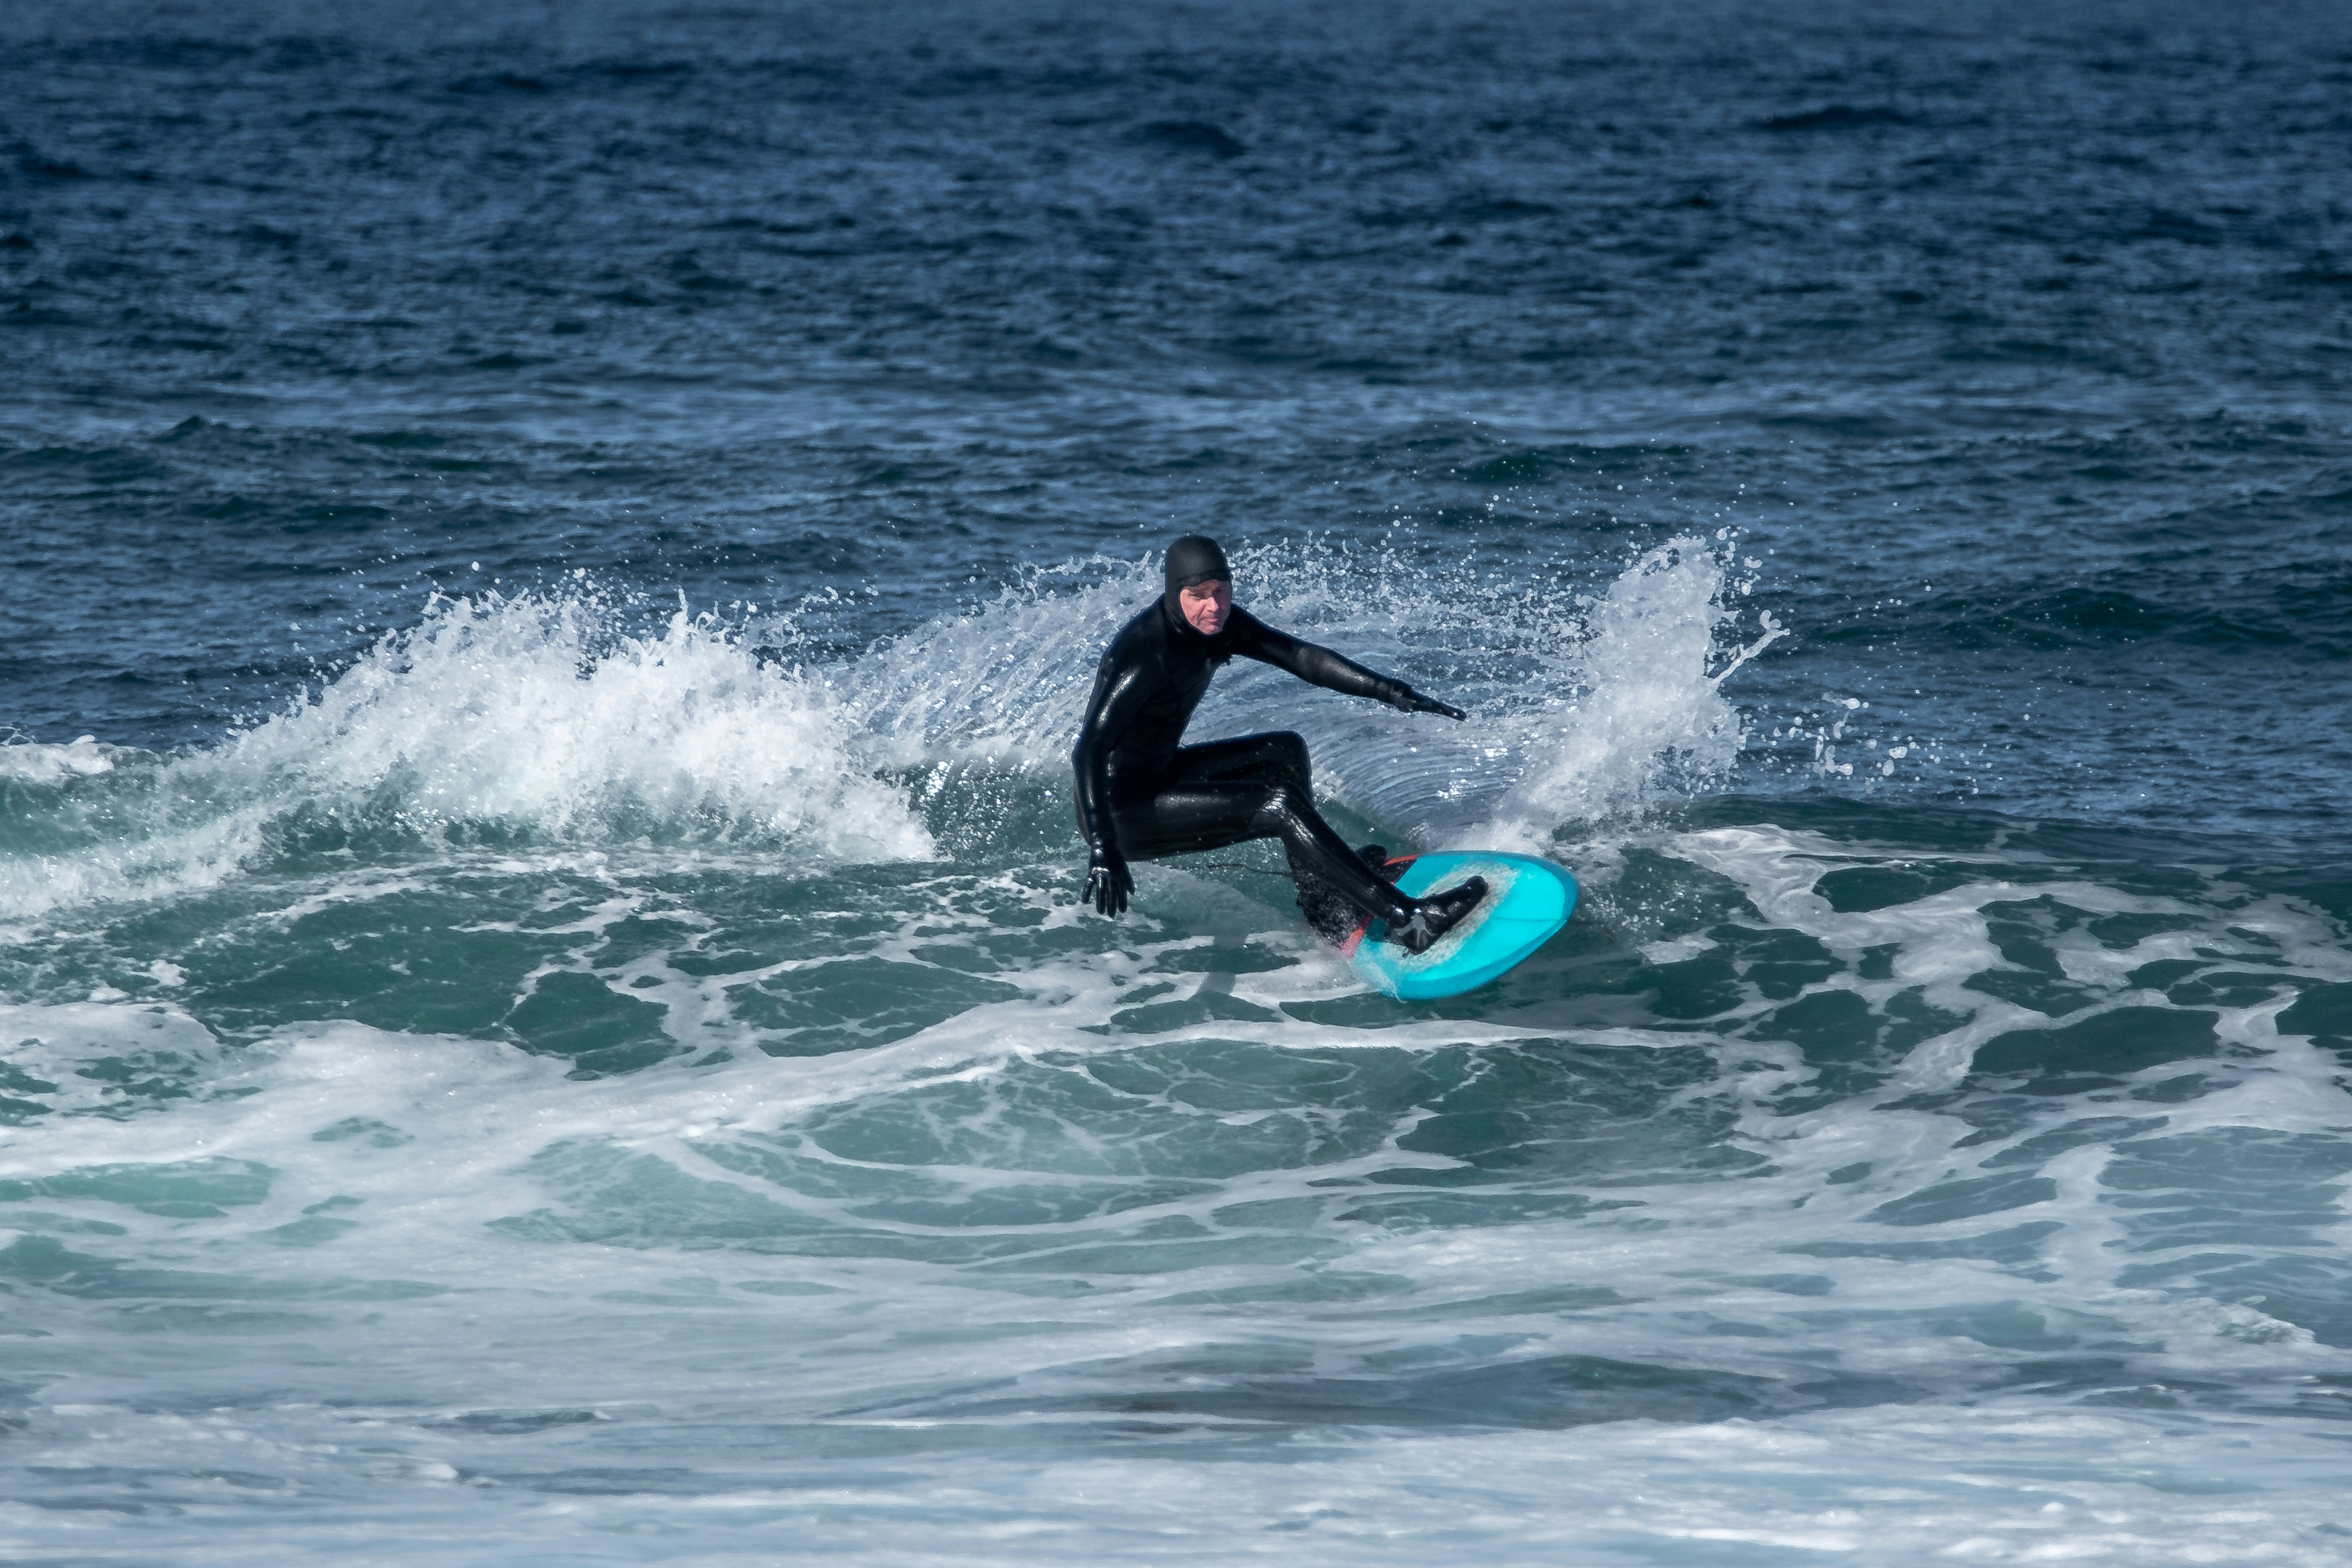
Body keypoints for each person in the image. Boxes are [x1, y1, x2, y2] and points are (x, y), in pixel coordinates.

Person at [1071, 534, 1488, 954]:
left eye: (1221, 592)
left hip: (1158, 775)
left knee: (1284, 752)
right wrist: (1104, 847)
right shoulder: (1146, 654)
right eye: (1198, 596)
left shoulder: (1220, 626)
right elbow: (1088, 749)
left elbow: (1301, 658)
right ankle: (1408, 921)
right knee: (1279, 803)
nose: (1213, 606)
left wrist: (1390, 690)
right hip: (1119, 813)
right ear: (1173, 593)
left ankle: (1321, 898)